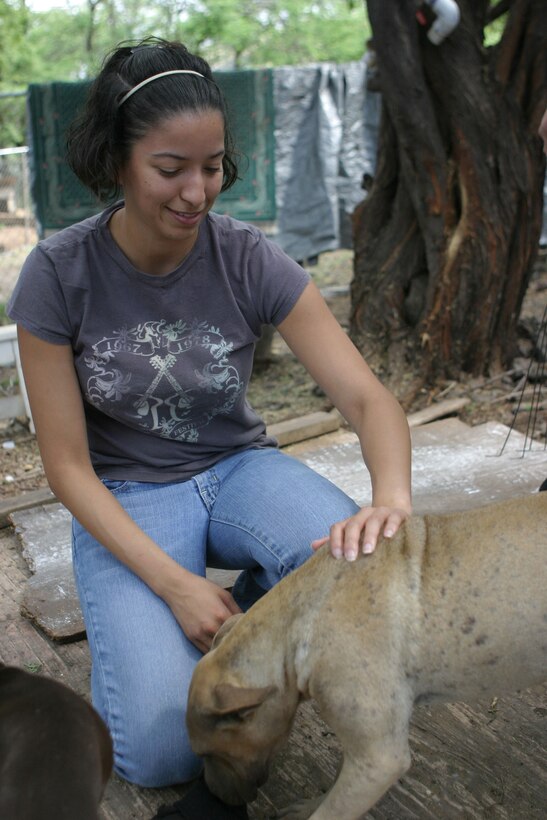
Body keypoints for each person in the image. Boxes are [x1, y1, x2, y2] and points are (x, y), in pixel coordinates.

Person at [7, 37, 412, 794]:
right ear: (118, 163)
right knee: (161, 754)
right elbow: (65, 466)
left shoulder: (247, 256)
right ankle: (153, 640)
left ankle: (242, 618)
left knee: (368, 574)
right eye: (170, 169)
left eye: (213, 165)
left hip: (238, 471)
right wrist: (174, 586)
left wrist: (389, 502)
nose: (197, 191)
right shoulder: (58, 275)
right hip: (129, 494)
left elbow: (366, 399)